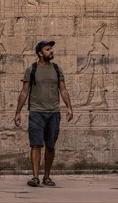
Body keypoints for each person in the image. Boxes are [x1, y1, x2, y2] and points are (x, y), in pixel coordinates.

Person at [14, 40, 73, 187]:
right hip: (36, 112)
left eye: (51, 49)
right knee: (36, 145)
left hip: (53, 112)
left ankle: (47, 176)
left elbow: (63, 90)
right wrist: (18, 112)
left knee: (51, 146)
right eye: (48, 49)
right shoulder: (32, 69)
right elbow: (24, 92)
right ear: (40, 53)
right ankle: (35, 177)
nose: (51, 51)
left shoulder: (57, 69)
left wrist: (69, 107)